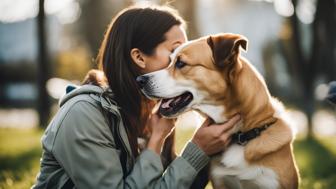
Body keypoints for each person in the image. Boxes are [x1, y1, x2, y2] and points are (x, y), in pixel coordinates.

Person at [32, 4, 241, 189]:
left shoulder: (151, 111)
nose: (184, 62)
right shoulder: (82, 114)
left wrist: (211, 148)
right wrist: (182, 147)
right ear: (139, 57)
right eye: (176, 53)